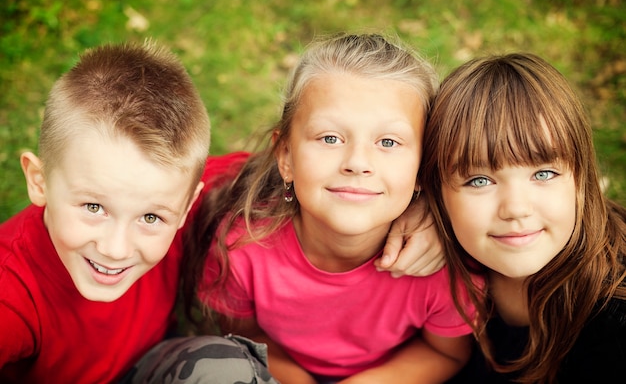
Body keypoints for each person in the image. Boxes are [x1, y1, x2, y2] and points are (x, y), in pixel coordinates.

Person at [183, 33, 477, 384]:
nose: (357, 163)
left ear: (422, 166)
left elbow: (445, 352)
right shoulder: (241, 249)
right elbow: (248, 340)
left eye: (388, 142)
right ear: (286, 156)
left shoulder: (439, 269)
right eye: (330, 138)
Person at [0, 41, 277, 383]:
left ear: (187, 204)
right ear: (39, 182)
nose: (115, 249)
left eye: (150, 218)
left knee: (225, 371)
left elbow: (288, 176)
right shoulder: (10, 290)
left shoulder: (167, 189)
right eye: (94, 207)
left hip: (150, 366)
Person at [412, 52, 626, 383]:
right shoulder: (420, 265)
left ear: (581, 179)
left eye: (543, 174)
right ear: (436, 194)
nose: (516, 209)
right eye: (479, 181)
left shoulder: (614, 319)